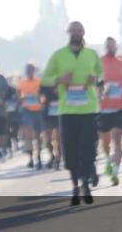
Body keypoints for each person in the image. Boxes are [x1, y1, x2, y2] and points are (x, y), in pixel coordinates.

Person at [42, 21, 103, 206]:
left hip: (88, 109)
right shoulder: (58, 55)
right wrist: (59, 79)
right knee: (70, 149)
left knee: (88, 146)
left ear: (84, 32)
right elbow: (45, 78)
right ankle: (75, 185)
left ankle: (86, 184)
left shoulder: (92, 54)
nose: (76, 32)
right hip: (67, 110)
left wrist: (96, 79)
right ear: (68, 32)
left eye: (79, 29)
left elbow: (102, 75)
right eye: (73, 30)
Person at [97, 38, 122, 187]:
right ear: (106, 47)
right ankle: (108, 160)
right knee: (105, 142)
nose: (111, 48)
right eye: (108, 46)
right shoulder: (99, 62)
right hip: (103, 108)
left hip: (119, 107)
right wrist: (99, 91)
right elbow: (94, 81)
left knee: (117, 139)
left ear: (116, 47)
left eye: (113, 46)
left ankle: (115, 172)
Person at [18, 64, 45, 169]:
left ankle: (38, 156)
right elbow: (18, 95)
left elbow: (43, 95)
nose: (29, 72)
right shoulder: (22, 83)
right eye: (28, 70)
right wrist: (22, 99)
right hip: (27, 111)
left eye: (31, 70)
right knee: (28, 135)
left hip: (38, 110)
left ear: (34, 71)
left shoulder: (39, 82)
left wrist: (41, 100)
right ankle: (31, 158)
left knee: (38, 136)